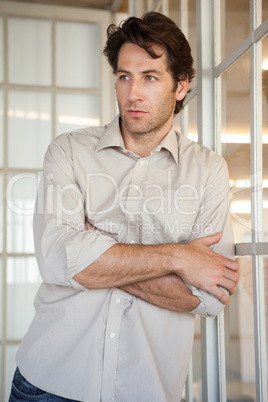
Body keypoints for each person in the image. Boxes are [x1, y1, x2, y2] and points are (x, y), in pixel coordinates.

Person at [9, 11, 239, 402]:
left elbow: (207, 296)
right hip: (47, 384)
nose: (133, 93)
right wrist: (179, 257)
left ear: (180, 86)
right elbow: (58, 260)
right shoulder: (68, 151)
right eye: (124, 76)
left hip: (147, 390)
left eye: (150, 77)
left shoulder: (208, 170)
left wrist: (97, 252)